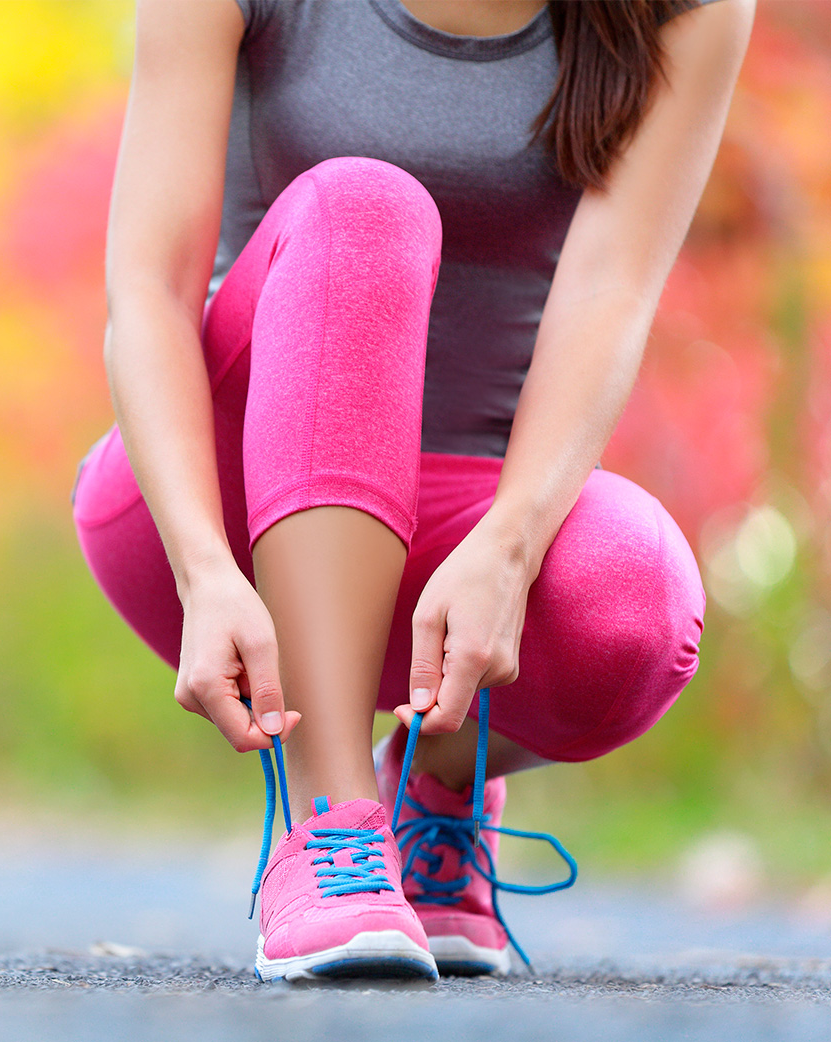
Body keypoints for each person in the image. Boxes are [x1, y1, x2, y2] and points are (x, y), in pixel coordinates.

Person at [72, 0, 755, 981]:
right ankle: (331, 826)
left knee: (637, 599)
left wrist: (511, 546)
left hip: (464, 528)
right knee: (364, 204)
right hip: (219, 507)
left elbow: (612, 287)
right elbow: (147, 289)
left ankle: (433, 784)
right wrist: (203, 569)